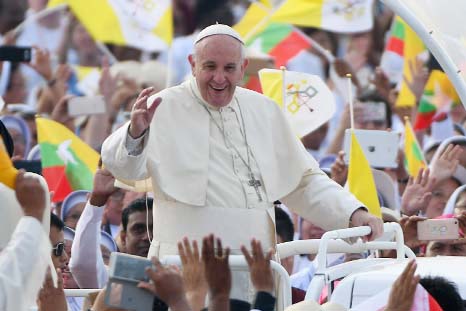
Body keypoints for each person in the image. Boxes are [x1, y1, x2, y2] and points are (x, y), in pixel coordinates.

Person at [101, 23, 383, 301]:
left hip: (257, 274)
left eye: (229, 68)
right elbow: (121, 166)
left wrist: (352, 213)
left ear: (243, 67)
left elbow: (303, 181)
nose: (219, 78)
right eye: (210, 66)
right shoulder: (163, 106)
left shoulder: (264, 110)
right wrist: (135, 133)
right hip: (190, 276)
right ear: (192, 64)